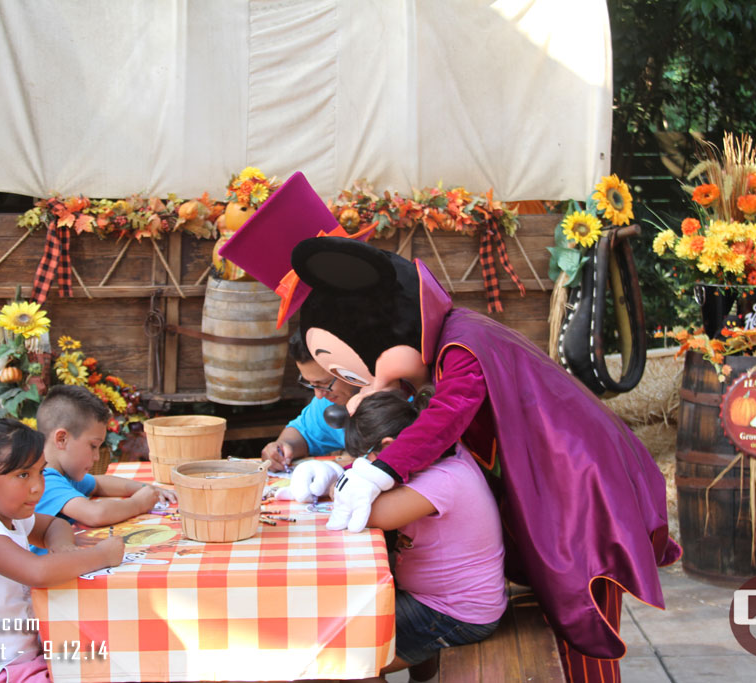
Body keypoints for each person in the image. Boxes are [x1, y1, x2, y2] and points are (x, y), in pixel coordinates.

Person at [218, 172, 680, 682]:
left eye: (350, 374)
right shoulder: (441, 346)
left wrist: (376, 472)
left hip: (584, 481)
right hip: (549, 480)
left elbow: (443, 420)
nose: (355, 386)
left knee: (579, 605)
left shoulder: (461, 347)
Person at [0, 419, 124, 683]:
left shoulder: (11, 517)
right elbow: (37, 571)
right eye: (23, 475)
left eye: (40, 472)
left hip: (17, 661)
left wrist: (62, 548)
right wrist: (102, 555)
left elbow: (53, 525)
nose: (37, 486)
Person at [345, 390, 506, 681]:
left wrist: (340, 484)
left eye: (363, 459)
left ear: (388, 447)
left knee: (349, 658)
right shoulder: (446, 454)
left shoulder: (441, 480)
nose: (360, 466)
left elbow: (367, 513)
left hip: (454, 614)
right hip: (449, 601)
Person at [33, 386, 176, 543]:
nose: (96, 457)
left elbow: (99, 483)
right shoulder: (43, 481)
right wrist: (137, 504)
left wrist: (148, 489)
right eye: (93, 446)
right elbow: (96, 514)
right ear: (61, 439)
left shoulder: (64, 475)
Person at [260, 331, 357, 471]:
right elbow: (303, 434)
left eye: (325, 383)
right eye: (311, 384)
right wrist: (282, 447)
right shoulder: (329, 402)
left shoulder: (392, 406)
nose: (318, 395)